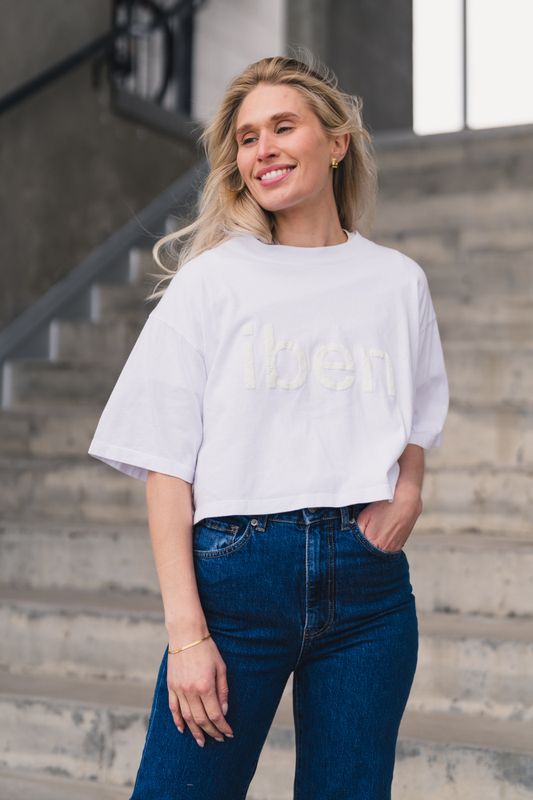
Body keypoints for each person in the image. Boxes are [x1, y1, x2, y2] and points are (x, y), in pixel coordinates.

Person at [88, 53, 449, 800]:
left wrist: (408, 490)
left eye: (282, 127)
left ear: (336, 141)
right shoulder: (213, 281)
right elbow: (165, 464)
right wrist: (188, 636)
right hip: (234, 583)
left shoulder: (396, 281)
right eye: (246, 138)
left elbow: (413, 415)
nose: (262, 150)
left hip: (368, 592)